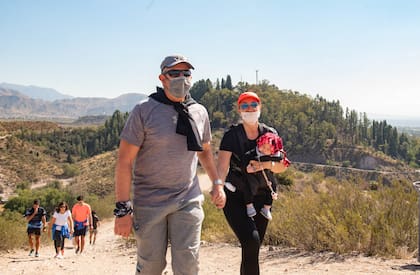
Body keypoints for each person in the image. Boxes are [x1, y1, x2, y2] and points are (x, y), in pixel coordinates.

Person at [114, 54, 226, 274]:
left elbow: (204, 152)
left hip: (188, 199)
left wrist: (217, 182)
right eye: (174, 73)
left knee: (189, 264)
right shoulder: (144, 110)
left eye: (186, 73)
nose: (181, 78)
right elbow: (125, 161)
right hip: (150, 202)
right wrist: (122, 210)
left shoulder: (199, 111)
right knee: (151, 267)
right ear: (162, 78)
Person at [217, 91, 289, 275]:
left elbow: (282, 166)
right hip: (236, 198)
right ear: (239, 109)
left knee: (252, 249)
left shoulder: (270, 134)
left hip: (261, 196)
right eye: (245, 105)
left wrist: (262, 165)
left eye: (253, 105)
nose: (250, 109)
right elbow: (222, 166)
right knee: (251, 241)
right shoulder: (231, 136)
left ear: (260, 108)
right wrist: (218, 188)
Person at [241, 132, 290, 220]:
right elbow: (245, 163)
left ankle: (266, 208)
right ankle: (249, 205)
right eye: (262, 146)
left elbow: (283, 162)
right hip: (254, 176)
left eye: (268, 148)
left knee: (272, 188)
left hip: (267, 177)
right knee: (250, 188)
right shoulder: (252, 154)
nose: (264, 150)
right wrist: (247, 169)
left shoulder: (276, 156)